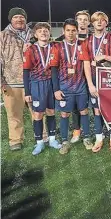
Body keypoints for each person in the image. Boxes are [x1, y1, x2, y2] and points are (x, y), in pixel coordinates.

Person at [1, 7, 46, 151]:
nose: (19, 19)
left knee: (38, 111)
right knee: (14, 113)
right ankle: (16, 140)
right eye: (16, 17)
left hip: (34, 80)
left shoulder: (34, 34)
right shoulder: (3, 35)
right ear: (11, 19)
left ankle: (43, 135)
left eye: (22, 17)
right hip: (11, 81)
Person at [80, 11, 111, 153]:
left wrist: (105, 56)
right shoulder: (87, 42)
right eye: (96, 20)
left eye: (102, 20)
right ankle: (99, 138)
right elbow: (86, 64)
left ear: (106, 22)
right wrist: (90, 84)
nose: (99, 22)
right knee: (97, 110)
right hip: (94, 79)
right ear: (92, 23)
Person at [50, 19, 92, 154]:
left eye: (73, 30)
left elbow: (86, 64)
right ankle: (64, 141)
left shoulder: (83, 45)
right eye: (68, 30)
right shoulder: (57, 47)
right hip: (64, 88)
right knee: (64, 113)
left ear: (77, 31)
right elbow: (54, 69)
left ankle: (86, 138)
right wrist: (56, 89)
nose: (70, 33)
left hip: (80, 87)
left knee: (84, 111)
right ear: (63, 31)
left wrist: (89, 84)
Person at [23, 22, 62, 155]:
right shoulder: (30, 50)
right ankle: (39, 142)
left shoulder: (55, 46)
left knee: (51, 112)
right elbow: (26, 71)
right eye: (40, 31)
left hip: (51, 83)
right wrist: (27, 92)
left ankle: (52, 139)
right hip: (37, 84)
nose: (43, 33)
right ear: (35, 34)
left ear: (49, 33)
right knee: (38, 114)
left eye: (46, 30)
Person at [69, 10, 91, 143]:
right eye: (80, 19)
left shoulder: (93, 38)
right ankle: (76, 131)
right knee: (76, 107)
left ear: (89, 22)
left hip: (92, 76)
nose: (82, 21)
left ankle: (102, 130)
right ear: (76, 21)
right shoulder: (69, 39)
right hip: (75, 78)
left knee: (96, 106)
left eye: (85, 19)